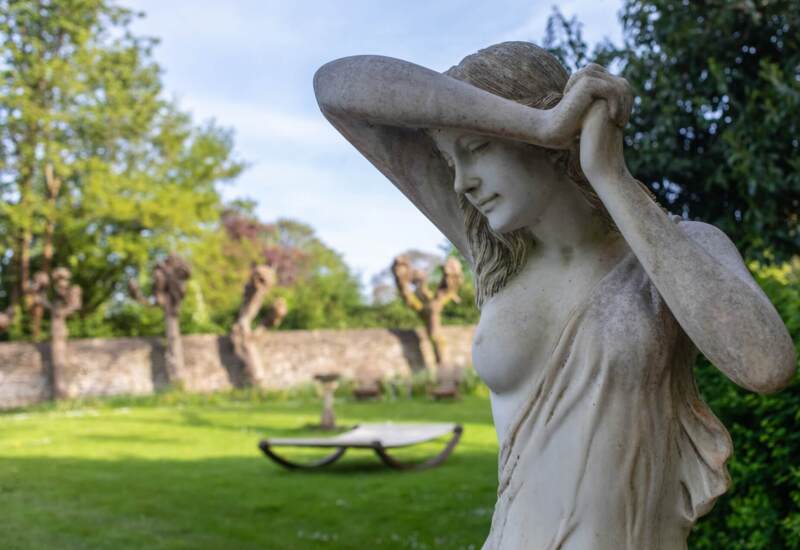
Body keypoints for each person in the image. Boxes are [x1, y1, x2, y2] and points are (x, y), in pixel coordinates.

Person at [313, 42, 796, 549]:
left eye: (476, 148)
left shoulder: (678, 249)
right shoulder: (498, 261)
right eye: (449, 159)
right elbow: (336, 89)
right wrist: (540, 125)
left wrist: (608, 174)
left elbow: (765, 365)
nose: (460, 182)